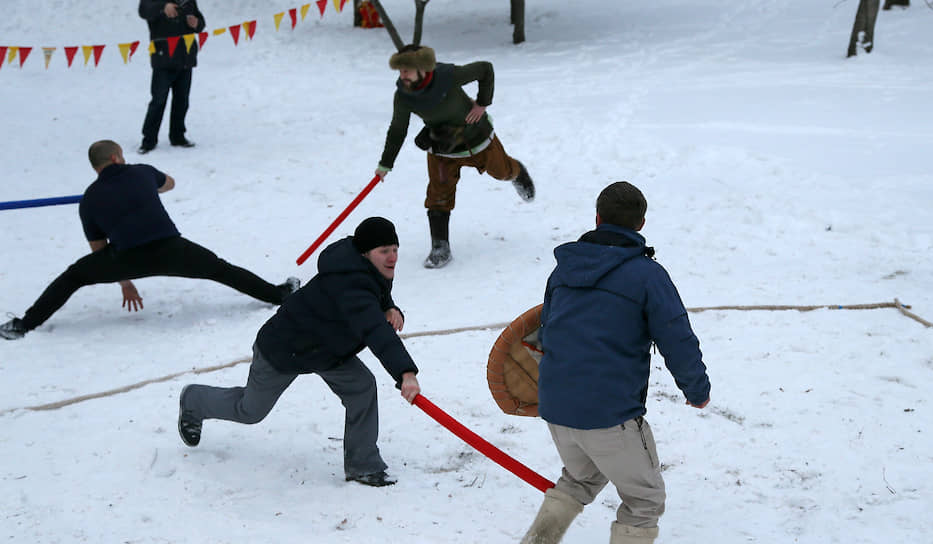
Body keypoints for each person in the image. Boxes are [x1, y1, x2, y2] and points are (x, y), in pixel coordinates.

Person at [520, 182, 711, 544]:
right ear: (641, 224)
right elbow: (676, 336)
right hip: (609, 413)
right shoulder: (648, 276)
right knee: (644, 500)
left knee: (580, 479)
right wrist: (696, 389)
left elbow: (546, 331)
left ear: (597, 219)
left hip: (558, 406)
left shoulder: (562, 272)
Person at [177, 217, 420, 487]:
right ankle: (194, 400)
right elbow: (375, 329)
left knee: (362, 387)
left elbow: (374, 293)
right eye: (383, 251)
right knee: (250, 410)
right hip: (285, 349)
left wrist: (389, 306)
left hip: (327, 350)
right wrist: (405, 372)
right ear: (365, 253)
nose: (392, 257)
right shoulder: (350, 282)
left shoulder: (362, 266)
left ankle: (362, 465)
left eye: (394, 249)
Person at [0, 140, 298, 341]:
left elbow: (98, 249)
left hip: (125, 258)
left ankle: (24, 325)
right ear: (117, 157)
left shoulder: (90, 199)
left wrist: (124, 279)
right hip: (172, 250)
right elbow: (169, 183)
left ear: (96, 167)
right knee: (220, 269)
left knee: (73, 276)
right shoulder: (142, 172)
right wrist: (144, 190)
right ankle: (278, 294)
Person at [374, 44, 535, 269]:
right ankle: (440, 247)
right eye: (400, 71)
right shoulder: (404, 96)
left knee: (502, 171)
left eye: (407, 70)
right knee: (438, 194)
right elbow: (398, 129)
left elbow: (485, 69)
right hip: (442, 148)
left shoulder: (448, 76)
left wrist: (482, 103)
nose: (403, 76)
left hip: (476, 140)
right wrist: (385, 164)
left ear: (422, 68)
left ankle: (518, 172)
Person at [138, 0, 206, 154]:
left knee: (182, 100)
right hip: (163, 59)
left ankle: (178, 136)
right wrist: (163, 7)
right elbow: (144, 11)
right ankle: (148, 140)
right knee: (158, 100)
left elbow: (201, 23)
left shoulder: (188, 1)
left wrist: (196, 23)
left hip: (186, 58)